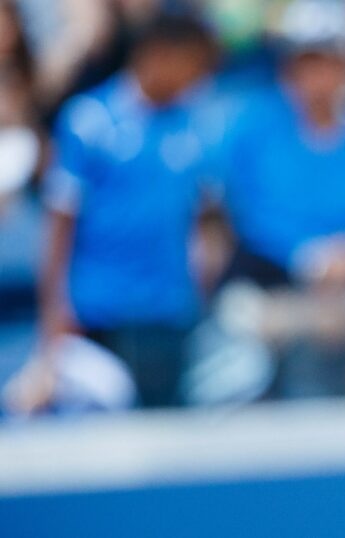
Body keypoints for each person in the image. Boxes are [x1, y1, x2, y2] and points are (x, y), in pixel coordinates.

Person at [216, 0, 345, 397]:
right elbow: (230, 215)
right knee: (234, 318)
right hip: (273, 293)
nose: (315, 75)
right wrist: (306, 258)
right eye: (304, 62)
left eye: (326, 61)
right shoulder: (253, 131)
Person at [36, 11, 219, 409]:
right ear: (159, 55)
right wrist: (53, 323)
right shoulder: (88, 120)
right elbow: (59, 227)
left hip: (169, 312)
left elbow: (204, 219)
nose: (200, 78)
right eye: (195, 64)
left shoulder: (194, 126)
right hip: (101, 313)